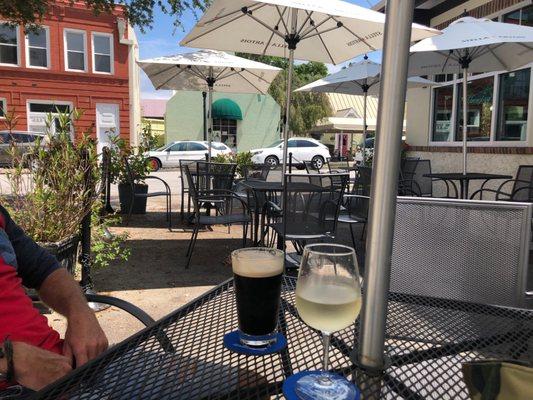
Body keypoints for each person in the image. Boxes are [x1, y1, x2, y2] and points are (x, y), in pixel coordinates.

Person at [0, 205, 108, 397]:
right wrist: (9, 359)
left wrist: (80, 313)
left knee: (174, 375)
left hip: (64, 368)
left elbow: (43, 269)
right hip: (13, 387)